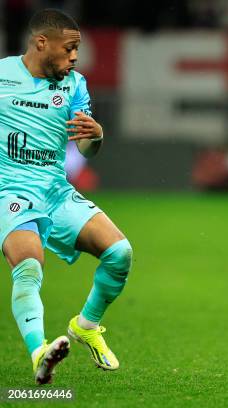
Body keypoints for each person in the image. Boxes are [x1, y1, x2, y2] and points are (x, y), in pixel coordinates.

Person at [0, 9, 132, 384]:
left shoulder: (75, 84)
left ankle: (86, 326)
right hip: (10, 190)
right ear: (42, 43)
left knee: (119, 254)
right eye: (70, 48)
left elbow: (87, 148)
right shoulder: (2, 76)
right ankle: (39, 351)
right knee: (28, 266)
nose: (75, 57)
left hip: (56, 192)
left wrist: (97, 135)